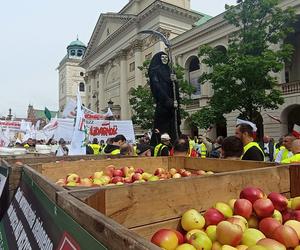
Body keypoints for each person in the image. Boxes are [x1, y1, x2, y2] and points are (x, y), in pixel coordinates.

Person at [148, 51, 181, 146]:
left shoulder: (171, 71)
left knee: (173, 127)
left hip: (173, 104)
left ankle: (174, 144)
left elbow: (175, 89)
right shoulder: (155, 70)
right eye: (162, 58)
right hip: (163, 104)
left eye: (166, 58)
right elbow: (156, 87)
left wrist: (175, 81)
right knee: (163, 126)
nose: (165, 59)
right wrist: (168, 101)